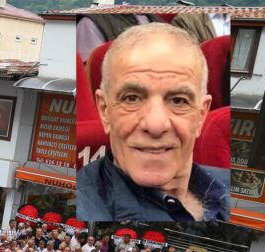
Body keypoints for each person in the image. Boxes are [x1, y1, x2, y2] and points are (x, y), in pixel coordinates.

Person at [76, 22, 229, 222]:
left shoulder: (229, 183)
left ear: (201, 115)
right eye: (132, 98)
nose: (155, 125)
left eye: (178, 101)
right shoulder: (82, 207)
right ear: (105, 111)